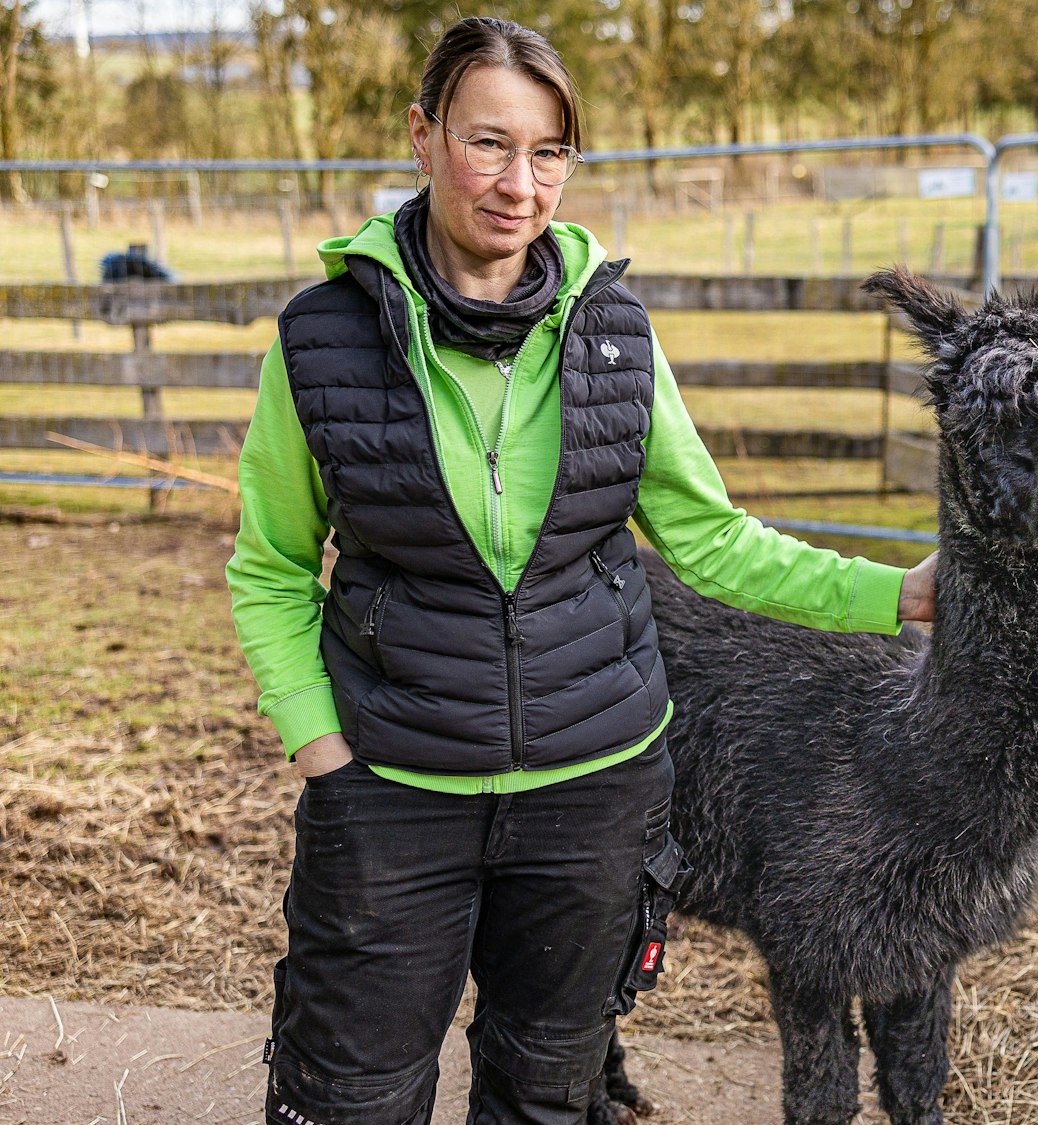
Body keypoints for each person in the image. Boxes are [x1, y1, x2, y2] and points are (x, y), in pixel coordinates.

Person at [224, 17, 935, 1124]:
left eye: (548, 152)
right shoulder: (324, 340)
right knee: (350, 1094)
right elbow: (270, 565)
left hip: (591, 795)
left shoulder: (615, 334)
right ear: (423, 136)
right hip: (394, 787)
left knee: (548, 1095)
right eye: (488, 143)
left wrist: (894, 594)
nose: (520, 185)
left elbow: (710, 540)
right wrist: (320, 743)